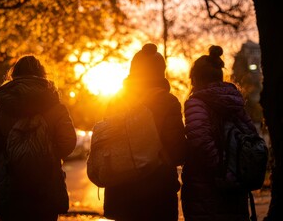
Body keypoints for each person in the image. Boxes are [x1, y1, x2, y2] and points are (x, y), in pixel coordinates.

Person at [0, 55, 76, 221]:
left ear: (14, 74)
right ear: (43, 74)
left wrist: (10, 161)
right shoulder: (55, 106)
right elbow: (68, 142)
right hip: (46, 187)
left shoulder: (2, 108)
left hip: (11, 189)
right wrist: (49, 156)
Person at [103, 43, 187, 221]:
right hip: (157, 195)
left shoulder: (116, 101)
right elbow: (177, 151)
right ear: (160, 71)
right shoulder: (168, 102)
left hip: (121, 193)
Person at [181, 45, 257, 221]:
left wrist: (221, 170)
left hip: (206, 188)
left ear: (195, 77)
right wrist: (233, 171)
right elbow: (251, 138)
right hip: (236, 189)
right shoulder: (235, 102)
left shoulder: (196, 103)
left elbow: (200, 141)